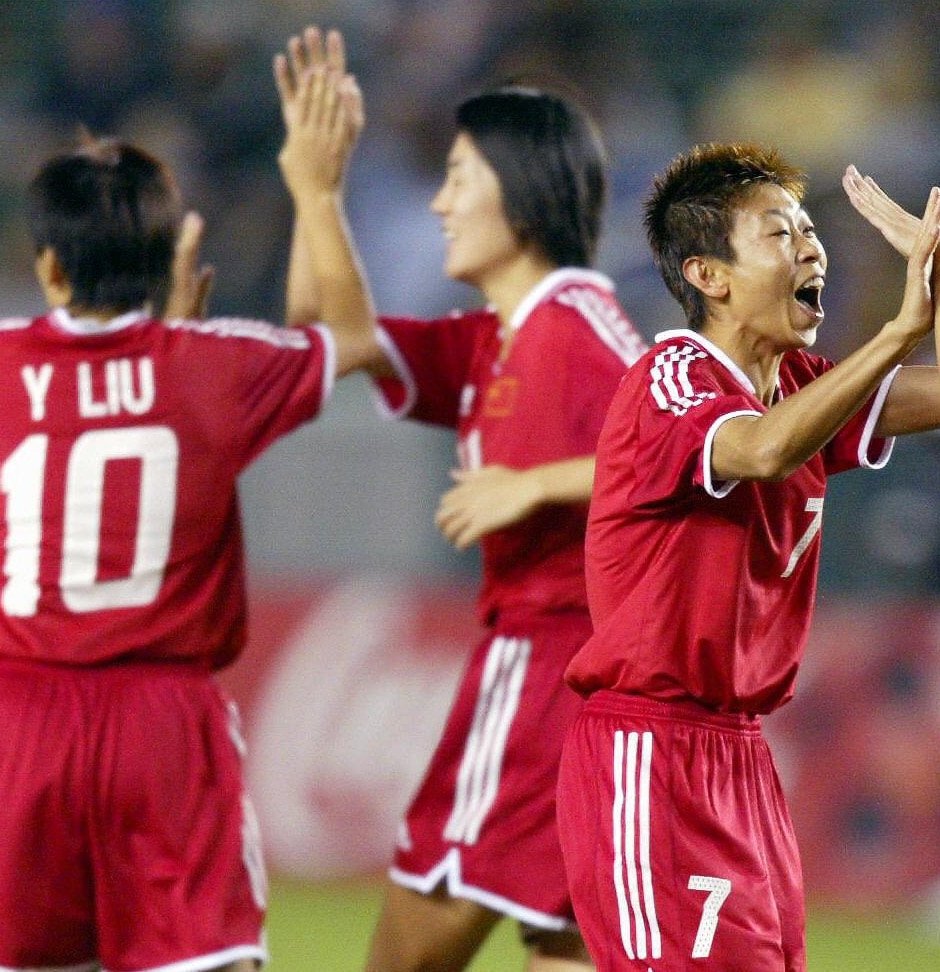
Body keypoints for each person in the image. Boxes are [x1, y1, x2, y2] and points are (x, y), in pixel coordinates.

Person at [554, 139, 940, 972]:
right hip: (653, 751)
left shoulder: (801, 384)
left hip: (741, 757)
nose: (810, 246)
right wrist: (894, 335)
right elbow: (758, 452)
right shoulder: (670, 376)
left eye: (809, 230)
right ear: (708, 275)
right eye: (780, 233)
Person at [274, 28, 642, 972]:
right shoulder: (499, 336)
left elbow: (688, 452)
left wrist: (536, 482)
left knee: (403, 957)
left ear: (520, 198)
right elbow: (327, 334)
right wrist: (315, 188)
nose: (437, 203)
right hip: (564, 683)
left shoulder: (575, 334)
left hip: (546, 673)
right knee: (562, 947)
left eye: (457, 178)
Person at [0, 68, 364, 972]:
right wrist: (316, 187)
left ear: (48, 264)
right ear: (166, 264)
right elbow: (345, 339)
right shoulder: (212, 366)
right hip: (163, 719)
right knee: (209, 961)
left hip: (19, 717)